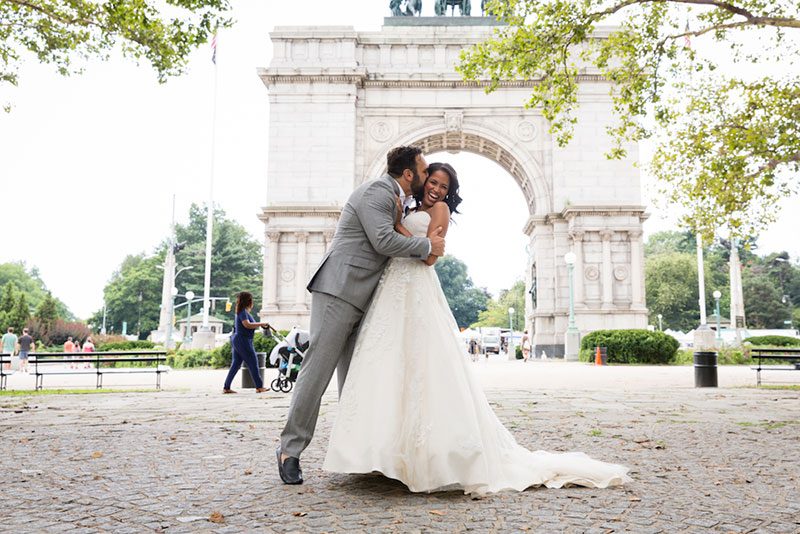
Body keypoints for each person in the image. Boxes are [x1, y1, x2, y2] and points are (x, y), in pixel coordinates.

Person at [323, 162, 630, 496]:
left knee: (422, 368)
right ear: (421, 179)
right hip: (392, 292)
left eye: (443, 186)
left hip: (416, 290)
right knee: (388, 366)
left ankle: (423, 456)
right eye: (433, 181)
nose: (437, 189)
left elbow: (428, 258)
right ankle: (385, 454)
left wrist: (398, 225)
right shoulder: (409, 205)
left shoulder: (438, 210)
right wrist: (399, 223)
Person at [277, 146, 446, 485]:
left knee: (357, 380)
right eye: (424, 171)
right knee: (317, 371)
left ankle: (359, 453)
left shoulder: (398, 200)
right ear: (409, 173)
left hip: (368, 297)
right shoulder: (376, 192)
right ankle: (289, 450)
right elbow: (383, 240)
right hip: (340, 290)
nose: (428, 179)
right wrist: (428, 247)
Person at [223, 291, 270, 394]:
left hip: (238, 339)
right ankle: (259, 387)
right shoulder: (243, 312)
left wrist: (259, 324)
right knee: (253, 362)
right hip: (243, 340)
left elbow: (248, 325)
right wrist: (261, 323)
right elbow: (247, 325)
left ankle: (226, 387)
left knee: (236, 364)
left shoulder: (241, 311)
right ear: (249, 301)